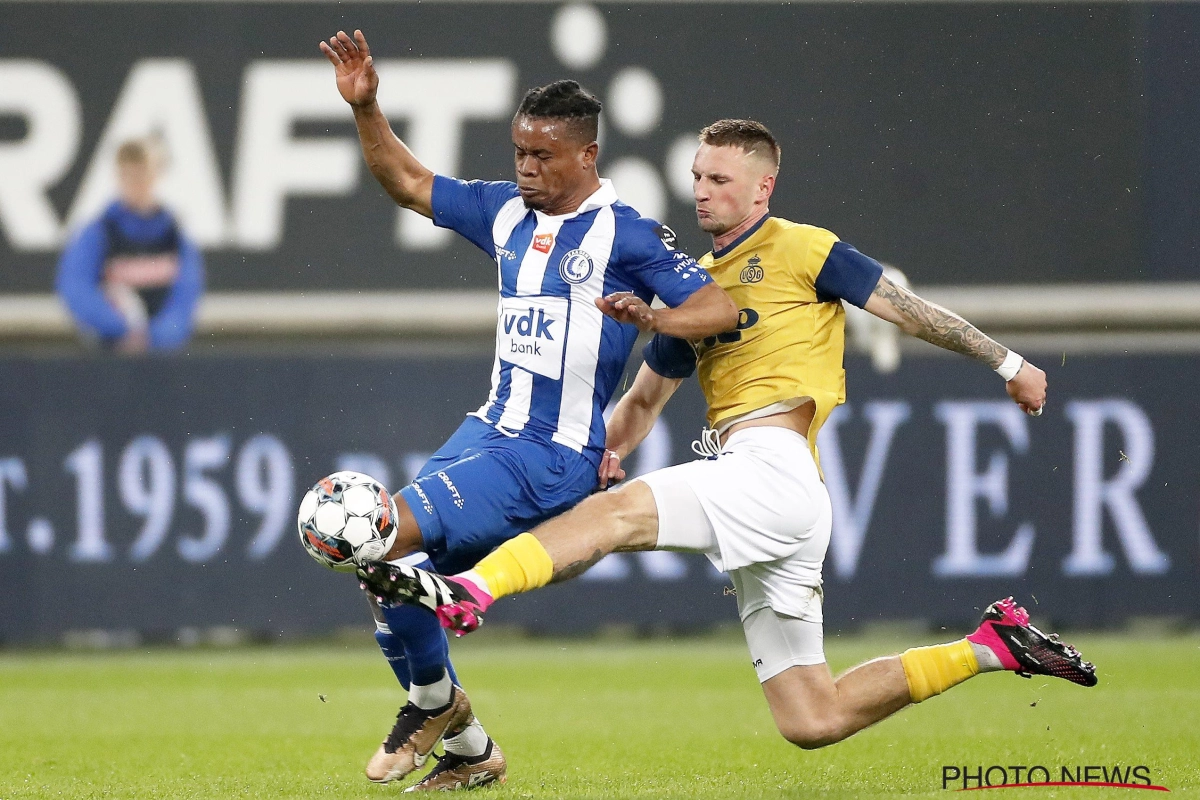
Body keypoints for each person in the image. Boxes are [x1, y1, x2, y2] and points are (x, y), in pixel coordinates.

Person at [358, 119, 1097, 759]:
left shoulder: (805, 250)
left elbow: (907, 311)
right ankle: (991, 647)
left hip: (773, 471)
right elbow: (643, 404)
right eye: (697, 176)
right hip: (775, 495)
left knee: (611, 522)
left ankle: (467, 592)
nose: (703, 189)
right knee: (813, 719)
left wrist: (1008, 362)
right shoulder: (695, 291)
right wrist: (603, 451)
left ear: (763, 188)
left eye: (719, 177)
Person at [318, 30, 738, 790]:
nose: (526, 168)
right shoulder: (504, 212)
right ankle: (470, 742)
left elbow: (719, 309)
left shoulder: (628, 234)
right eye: (519, 152)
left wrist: (655, 321)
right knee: (382, 573)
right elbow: (409, 182)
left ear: (588, 156)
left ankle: (428, 706)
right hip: (488, 429)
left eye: (543, 156)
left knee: (380, 537)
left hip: (550, 456)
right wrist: (368, 108)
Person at [56, 139, 204, 353]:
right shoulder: (98, 232)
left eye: (141, 175)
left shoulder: (175, 235)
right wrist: (122, 329)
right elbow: (75, 287)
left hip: (161, 358)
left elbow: (185, 299)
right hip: (110, 354)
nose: (134, 184)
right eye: (127, 175)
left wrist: (154, 337)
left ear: (155, 175)